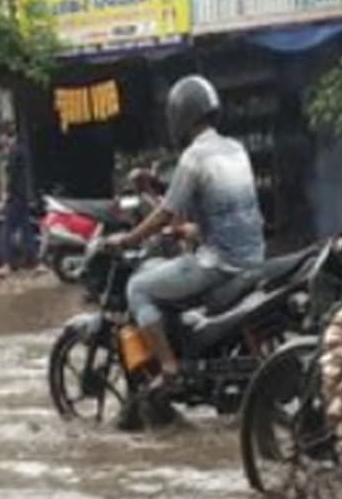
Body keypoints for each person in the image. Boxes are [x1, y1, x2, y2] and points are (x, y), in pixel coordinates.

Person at [105, 75, 266, 385]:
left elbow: (165, 214)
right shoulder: (236, 148)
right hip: (254, 256)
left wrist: (127, 238)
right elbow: (224, 213)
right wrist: (186, 227)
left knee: (138, 287)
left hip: (220, 265)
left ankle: (169, 368)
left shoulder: (194, 157)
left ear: (180, 115)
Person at [0, 124, 38, 275]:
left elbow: (12, 178)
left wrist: (4, 198)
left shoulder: (14, 153)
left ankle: (6, 264)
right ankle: (35, 263)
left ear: (6, 136)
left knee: (6, 230)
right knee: (26, 230)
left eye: (1, 137)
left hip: (15, 197)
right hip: (23, 197)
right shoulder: (22, 151)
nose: (0, 140)